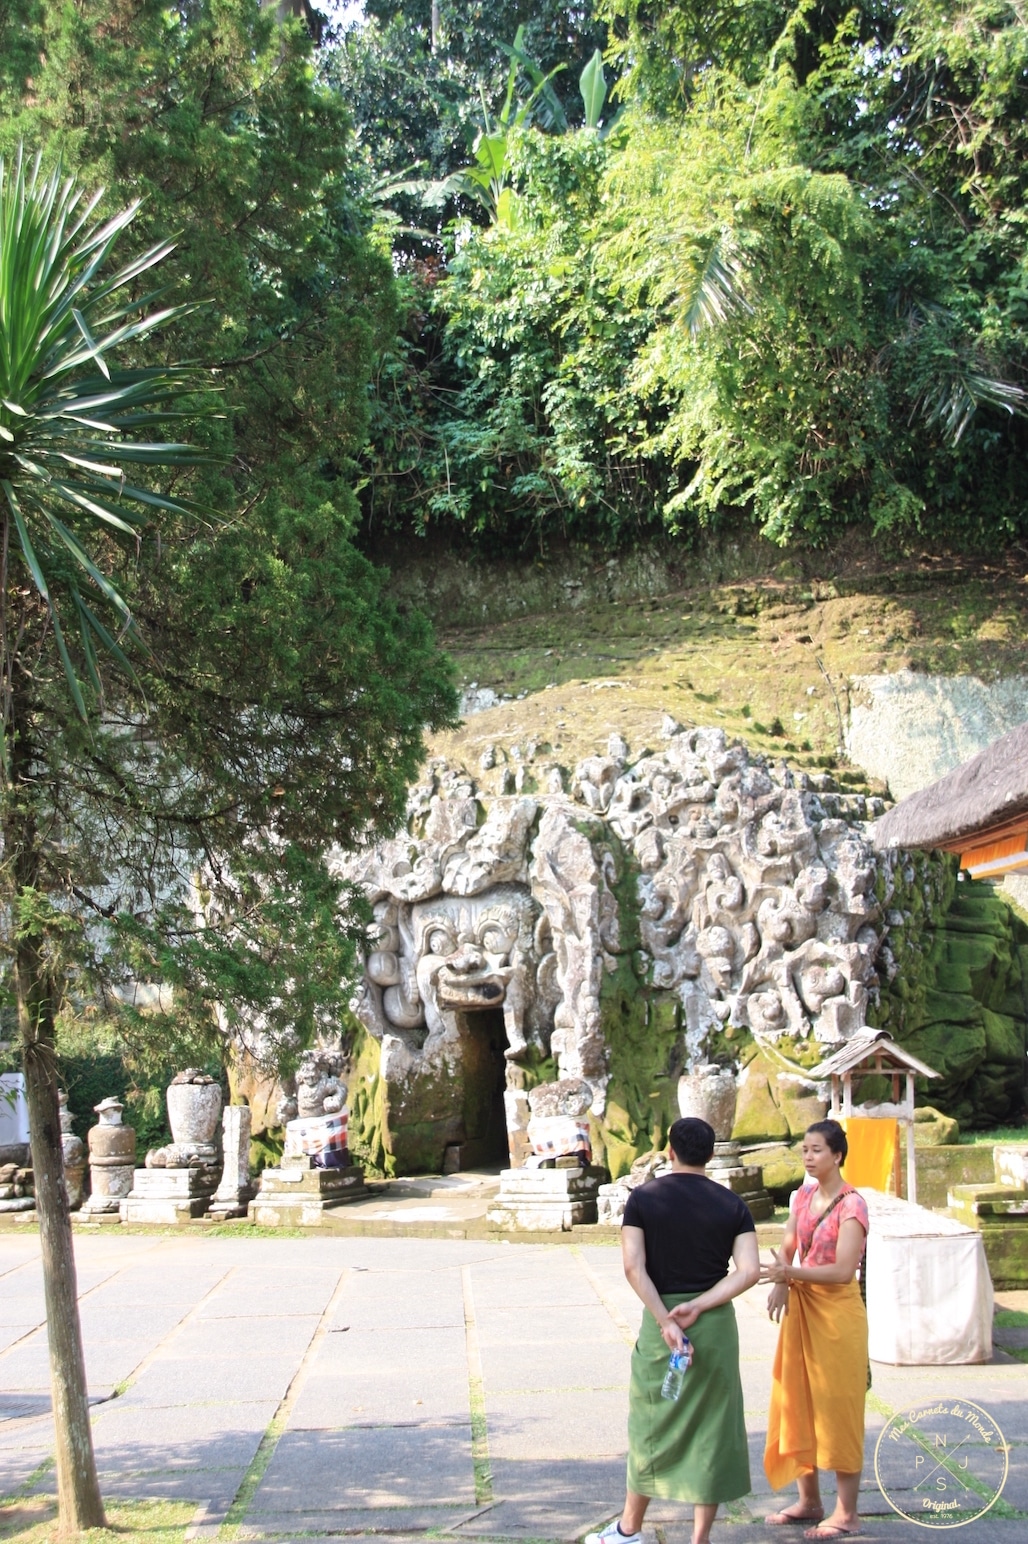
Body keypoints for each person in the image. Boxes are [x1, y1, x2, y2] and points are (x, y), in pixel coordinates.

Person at [586, 1116, 761, 1544]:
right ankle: (699, 1539)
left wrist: (666, 1319)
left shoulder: (644, 1198)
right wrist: (701, 1304)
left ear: (670, 1150)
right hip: (714, 1323)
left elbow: (633, 1266)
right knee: (713, 1427)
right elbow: (750, 1271)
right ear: (711, 1154)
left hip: (662, 1322)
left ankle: (629, 1530)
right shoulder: (732, 1204)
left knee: (650, 1420)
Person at [761, 1119, 870, 1539]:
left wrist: (791, 1274)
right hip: (804, 1307)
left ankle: (847, 1512)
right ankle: (809, 1500)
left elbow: (843, 1271)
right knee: (795, 1400)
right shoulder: (802, 1197)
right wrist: (784, 1280)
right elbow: (789, 1244)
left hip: (838, 1314)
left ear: (837, 1155)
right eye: (804, 1149)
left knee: (838, 1408)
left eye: (817, 1150)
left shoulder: (852, 1205)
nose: (808, 1156)